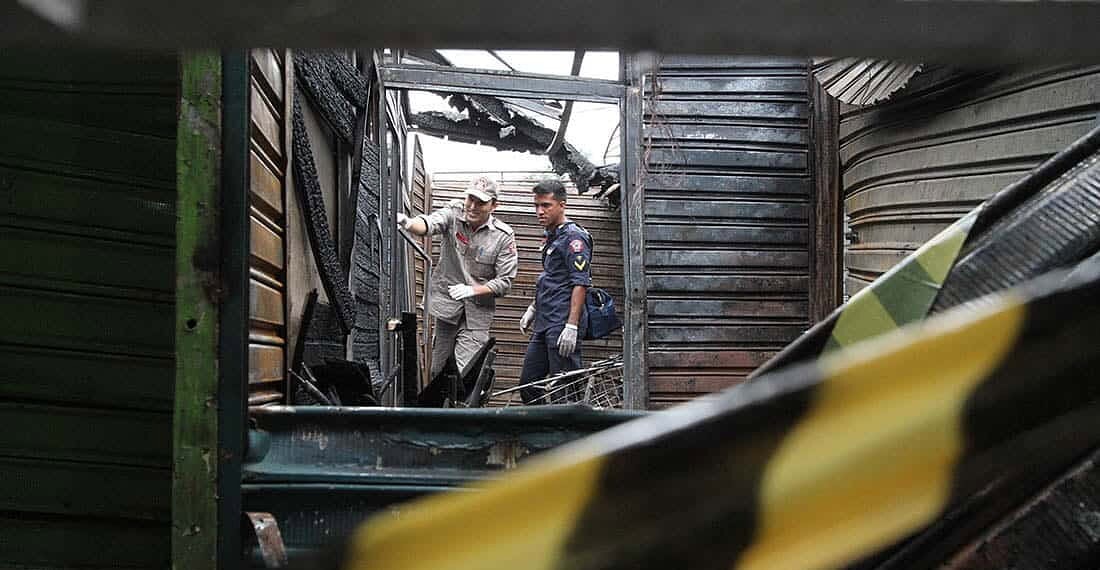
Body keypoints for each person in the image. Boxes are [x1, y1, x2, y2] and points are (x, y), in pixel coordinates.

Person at [398, 175, 518, 380]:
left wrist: (473, 290)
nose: (472, 206)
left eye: (480, 202)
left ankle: (467, 399)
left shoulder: (503, 236)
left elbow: (505, 282)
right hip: (447, 308)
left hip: (477, 315)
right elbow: (430, 223)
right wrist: (408, 223)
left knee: (463, 375)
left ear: (494, 205)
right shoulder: (454, 213)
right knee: (438, 373)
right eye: (470, 199)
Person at [518, 179, 592, 405]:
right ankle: (543, 427)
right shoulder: (553, 235)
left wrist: (572, 326)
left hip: (561, 323)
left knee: (565, 391)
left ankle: (568, 428)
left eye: (546, 205)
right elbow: (551, 278)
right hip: (545, 321)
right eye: (536, 205)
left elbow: (580, 283)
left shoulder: (574, 238)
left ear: (562, 205)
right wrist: (533, 308)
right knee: (529, 385)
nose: (540, 211)